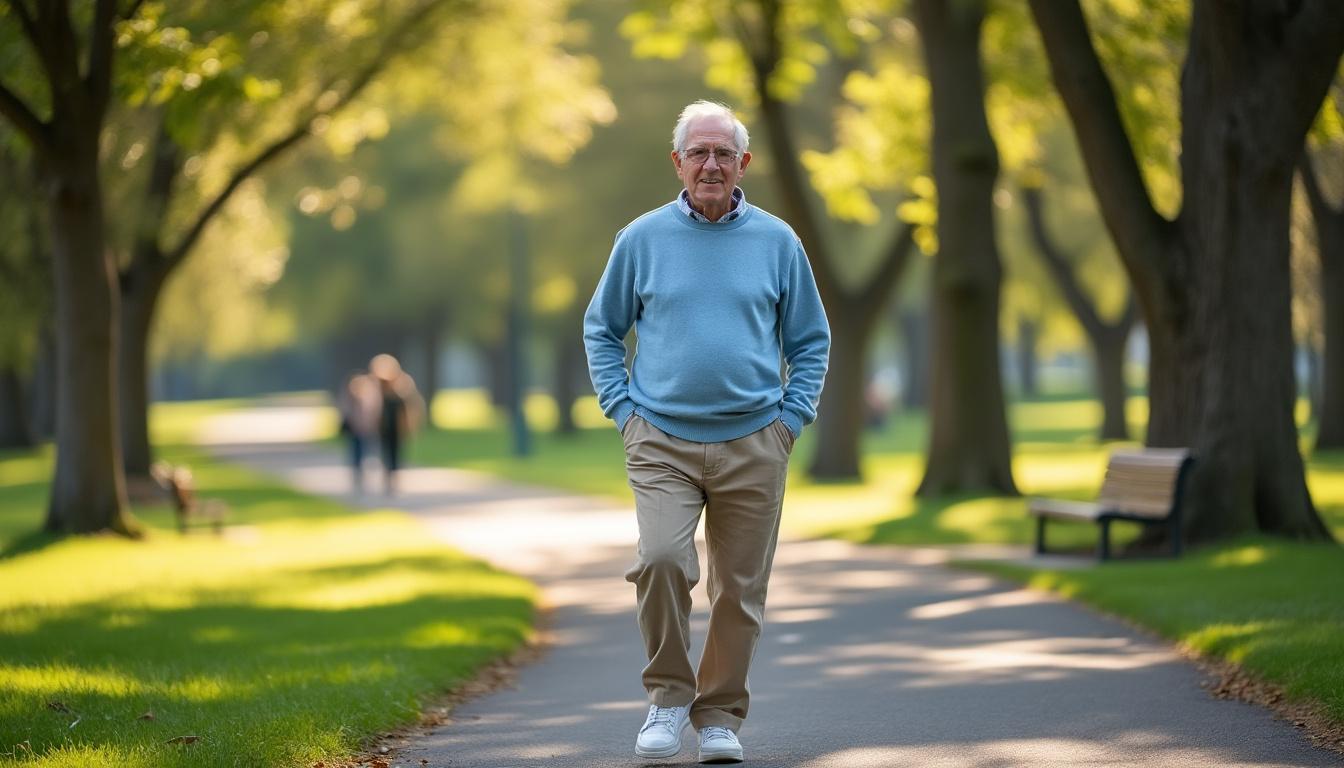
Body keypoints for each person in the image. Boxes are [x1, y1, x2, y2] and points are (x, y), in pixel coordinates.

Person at [583, 100, 830, 763]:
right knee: (661, 561)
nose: (711, 164)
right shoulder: (640, 238)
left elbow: (810, 341)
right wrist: (624, 412)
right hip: (659, 437)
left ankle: (719, 717)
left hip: (756, 440)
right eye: (699, 152)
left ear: (744, 163)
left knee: (738, 592)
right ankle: (667, 697)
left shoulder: (778, 242)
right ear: (678, 162)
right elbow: (601, 329)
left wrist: (790, 421)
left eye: (724, 153)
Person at [369, 354, 425, 496]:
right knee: (385, 453)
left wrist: (411, 425)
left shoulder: (403, 385)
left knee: (396, 453)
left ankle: (393, 479)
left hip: (398, 427)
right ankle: (388, 479)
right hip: (384, 427)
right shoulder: (377, 388)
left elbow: (412, 407)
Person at [336, 371, 379, 493]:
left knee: (366, 452)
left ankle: (363, 475)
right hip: (355, 430)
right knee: (356, 452)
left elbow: (372, 413)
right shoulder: (350, 398)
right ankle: (358, 475)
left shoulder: (368, 397)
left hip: (366, 430)